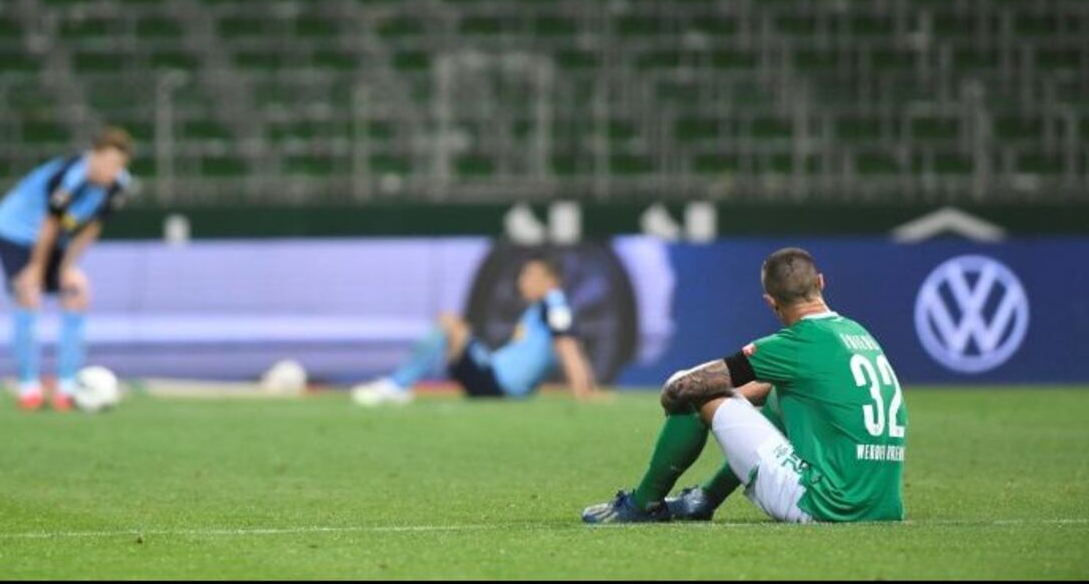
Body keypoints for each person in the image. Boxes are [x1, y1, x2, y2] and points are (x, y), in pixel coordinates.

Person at [582, 247, 907, 524]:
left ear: (770, 302)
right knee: (779, 394)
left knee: (694, 393)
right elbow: (776, 388)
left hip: (827, 506)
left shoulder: (795, 343)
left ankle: (642, 506)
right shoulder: (857, 333)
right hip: (883, 507)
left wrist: (678, 399)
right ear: (821, 283)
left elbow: (684, 388)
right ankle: (703, 500)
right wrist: (732, 402)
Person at [0, 128, 133, 411]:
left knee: (77, 292)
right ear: (94, 156)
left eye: (119, 166)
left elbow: (91, 227)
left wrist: (68, 267)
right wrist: (35, 269)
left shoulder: (118, 185)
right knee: (28, 292)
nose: (112, 171)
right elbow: (49, 224)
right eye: (107, 163)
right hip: (15, 234)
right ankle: (28, 387)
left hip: (56, 240)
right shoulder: (69, 177)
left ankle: (67, 387)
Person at [351, 254, 597, 405]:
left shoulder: (554, 303)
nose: (523, 281)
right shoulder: (539, 309)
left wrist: (583, 392)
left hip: (498, 383)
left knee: (449, 323)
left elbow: (568, 346)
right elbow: (571, 343)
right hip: (495, 380)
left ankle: (397, 386)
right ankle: (399, 384)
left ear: (551, 281)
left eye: (530, 275)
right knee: (454, 327)